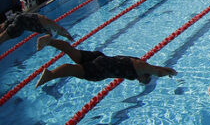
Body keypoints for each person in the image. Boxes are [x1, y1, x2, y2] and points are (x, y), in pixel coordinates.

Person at [34, 35, 176, 87]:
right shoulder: (139, 68)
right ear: (144, 75)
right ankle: (50, 75)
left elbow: (154, 68)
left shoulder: (138, 62)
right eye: (142, 80)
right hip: (102, 69)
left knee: (73, 52)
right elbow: (155, 71)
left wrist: (167, 70)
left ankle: (50, 41)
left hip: (101, 57)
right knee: (71, 69)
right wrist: (169, 73)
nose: (139, 81)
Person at [0, 12, 72, 45]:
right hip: (21, 20)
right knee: (4, 37)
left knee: (4, 37)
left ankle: (4, 25)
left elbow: (60, 31)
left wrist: (67, 36)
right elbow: (61, 29)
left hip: (21, 21)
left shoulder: (46, 29)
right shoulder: (49, 24)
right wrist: (68, 36)